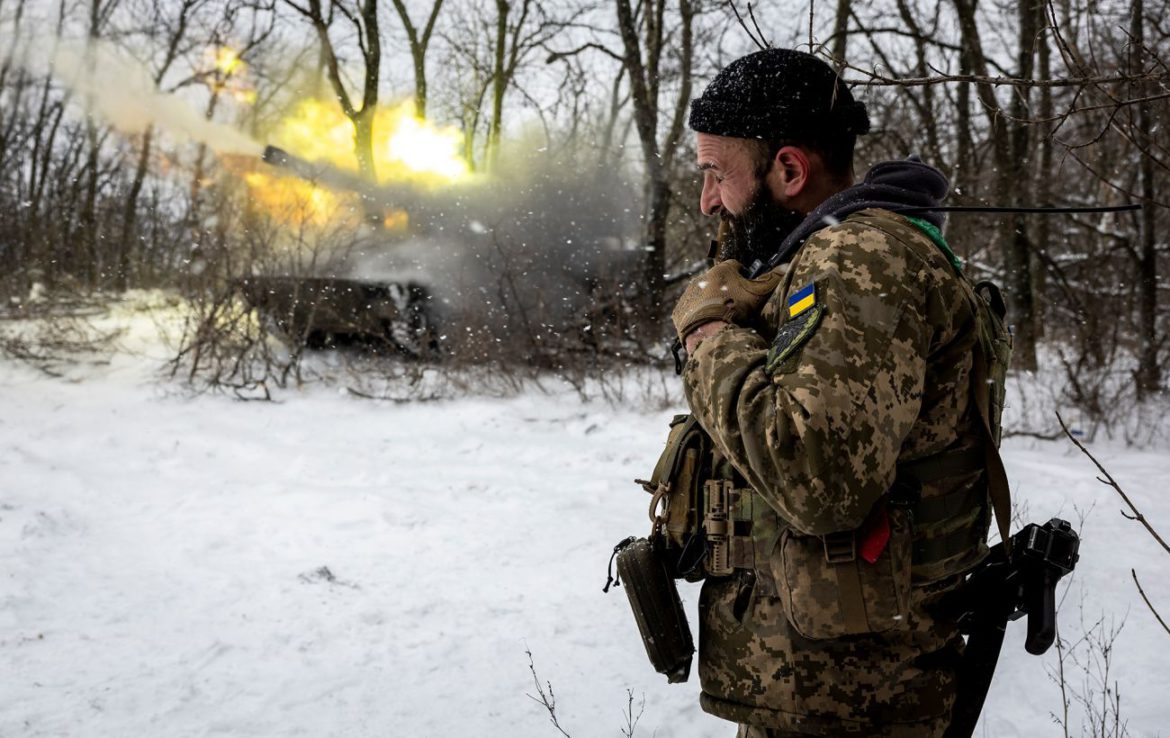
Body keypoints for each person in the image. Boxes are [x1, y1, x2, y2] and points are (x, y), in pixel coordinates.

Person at [670, 48, 996, 737]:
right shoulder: (829, 258)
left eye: (714, 173)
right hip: (828, 691)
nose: (706, 201)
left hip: (855, 704)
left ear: (788, 169)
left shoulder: (860, 259)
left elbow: (817, 479)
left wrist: (708, 336)